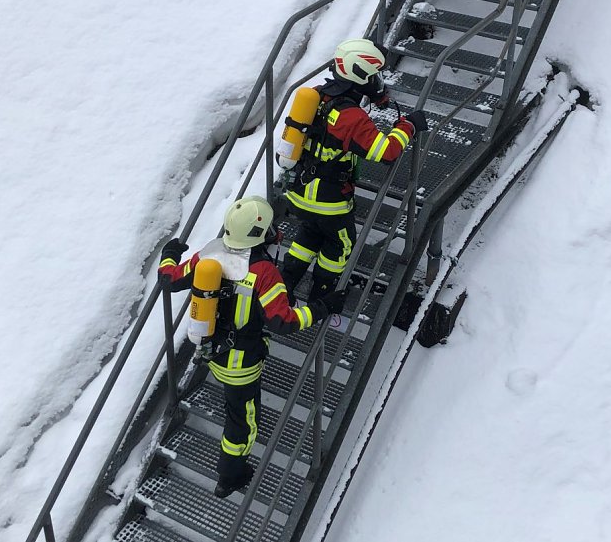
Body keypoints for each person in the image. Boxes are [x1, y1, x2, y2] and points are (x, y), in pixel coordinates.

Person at [158, 196, 346, 498]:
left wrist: (169, 254)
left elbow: (169, 280)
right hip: (241, 366)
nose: (275, 232)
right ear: (261, 233)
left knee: (235, 409)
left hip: (212, 352)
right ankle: (231, 475)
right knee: (243, 422)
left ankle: (231, 467)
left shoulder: (209, 254)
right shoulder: (264, 273)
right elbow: (282, 322)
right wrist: (323, 307)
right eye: (270, 228)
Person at [280, 38, 429, 303]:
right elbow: (386, 152)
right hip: (329, 203)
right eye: (374, 76)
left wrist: (375, 97)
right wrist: (409, 126)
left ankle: (286, 285)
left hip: (300, 191)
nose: (377, 81)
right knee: (340, 244)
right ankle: (321, 296)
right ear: (359, 74)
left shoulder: (316, 95)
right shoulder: (351, 117)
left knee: (309, 234)